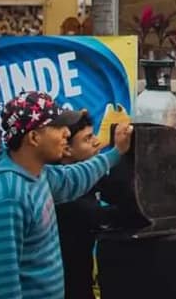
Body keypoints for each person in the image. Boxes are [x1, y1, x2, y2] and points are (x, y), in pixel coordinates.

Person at [0, 92, 132, 299]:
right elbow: (3, 286)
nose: (66, 132)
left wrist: (116, 152)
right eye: (57, 127)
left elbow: (74, 178)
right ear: (34, 137)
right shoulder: (8, 195)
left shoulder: (38, 174)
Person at [56, 111, 120, 299]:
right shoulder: (66, 195)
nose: (97, 142)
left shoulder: (82, 175)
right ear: (66, 149)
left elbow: (113, 189)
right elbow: (105, 216)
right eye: (88, 138)